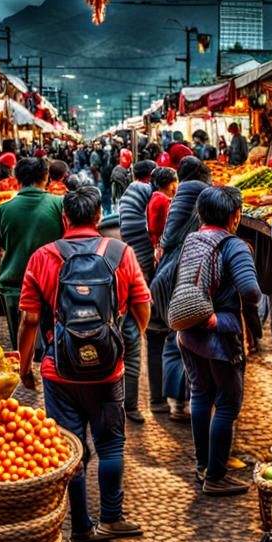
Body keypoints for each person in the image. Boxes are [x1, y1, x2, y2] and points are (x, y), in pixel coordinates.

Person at [17, 186, 151, 542]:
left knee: (70, 446)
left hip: (59, 370)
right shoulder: (121, 253)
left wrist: (24, 366)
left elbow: (29, 319)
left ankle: (79, 527)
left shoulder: (43, 256)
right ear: (98, 217)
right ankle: (112, 518)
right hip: (109, 370)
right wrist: (132, 335)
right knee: (111, 446)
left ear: (64, 219)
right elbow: (142, 304)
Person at [176, 186, 262, 495]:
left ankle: (203, 465)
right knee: (227, 403)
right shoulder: (233, 245)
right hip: (220, 334)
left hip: (188, 331)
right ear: (234, 216)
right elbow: (251, 292)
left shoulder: (193, 239)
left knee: (200, 394)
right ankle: (216, 475)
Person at [152, 157, 212, 420]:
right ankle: (189, 400)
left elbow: (167, 237)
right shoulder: (202, 194)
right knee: (191, 337)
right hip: (189, 272)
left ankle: (176, 401)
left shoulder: (178, 197)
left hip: (169, 274)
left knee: (173, 336)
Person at [0, 158, 63, 350]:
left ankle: (25, 373)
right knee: (53, 345)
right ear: (46, 177)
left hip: (14, 287)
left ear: (17, 177)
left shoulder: (3, 210)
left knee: (22, 347)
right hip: (52, 285)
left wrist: (14, 260)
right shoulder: (59, 204)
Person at [118, 160, 158, 422]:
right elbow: (141, 299)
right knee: (132, 344)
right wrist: (143, 323)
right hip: (141, 251)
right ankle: (130, 405)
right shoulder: (148, 193)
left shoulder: (128, 192)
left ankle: (117, 402)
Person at [148, 166, 178, 253]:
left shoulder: (155, 196)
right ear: (172, 185)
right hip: (160, 245)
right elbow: (167, 226)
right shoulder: (164, 200)